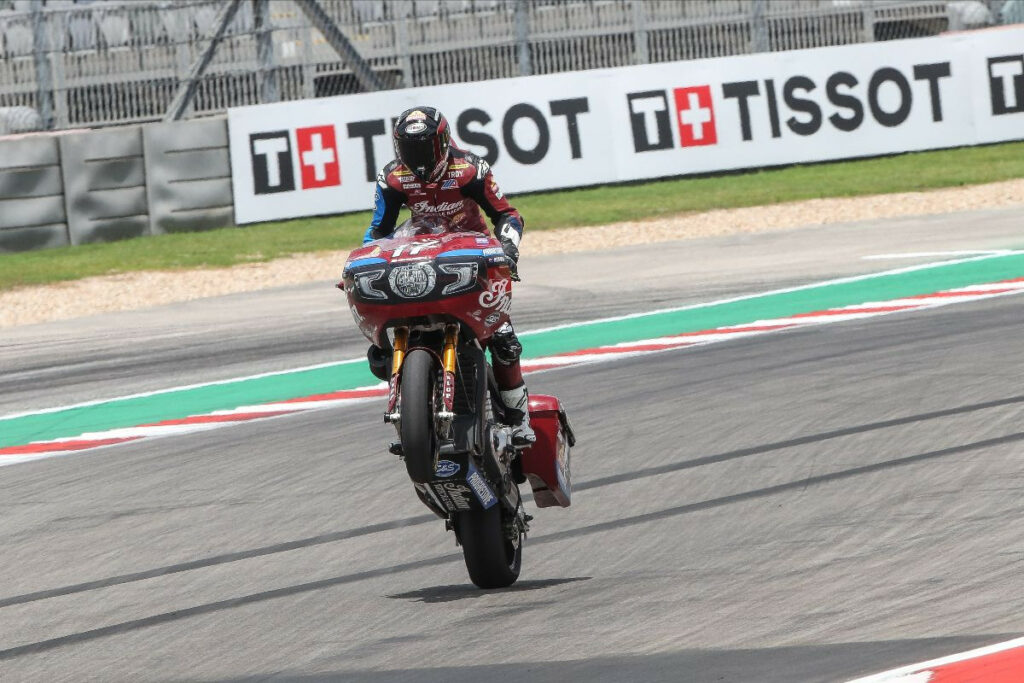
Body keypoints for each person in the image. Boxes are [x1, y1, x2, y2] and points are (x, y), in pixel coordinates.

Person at [363, 105, 535, 444]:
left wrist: (508, 249)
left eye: (424, 147)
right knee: (381, 344)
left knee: (504, 341)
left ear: (442, 142)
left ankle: (519, 421)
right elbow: (379, 232)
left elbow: (507, 216)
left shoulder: (470, 169)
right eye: (409, 149)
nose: (418, 157)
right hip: (421, 259)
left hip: (475, 259)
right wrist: (367, 262)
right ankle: (411, 410)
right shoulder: (393, 177)